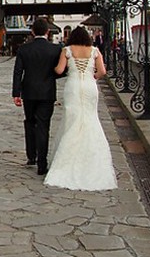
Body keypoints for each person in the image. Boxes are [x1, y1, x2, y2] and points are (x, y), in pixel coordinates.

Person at [44, 26, 117, 191]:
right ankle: (92, 160)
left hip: (73, 86)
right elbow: (103, 71)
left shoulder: (67, 50)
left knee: (72, 120)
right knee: (90, 119)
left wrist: (55, 68)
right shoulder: (95, 51)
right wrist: (93, 76)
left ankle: (67, 159)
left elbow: (59, 70)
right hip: (90, 87)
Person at [12, 18, 63, 175]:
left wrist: (16, 93)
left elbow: (18, 71)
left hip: (29, 92)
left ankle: (31, 155)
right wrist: (49, 77)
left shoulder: (24, 49)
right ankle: (42, 163)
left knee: (30, 122)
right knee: (43, 126)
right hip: (47, 93)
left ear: (32, 32)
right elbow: (62, 71)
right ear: (48, 32)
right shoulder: (56, 49)